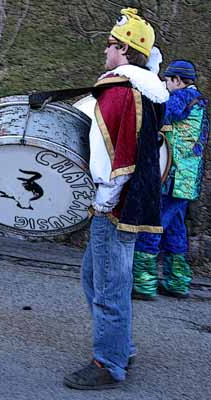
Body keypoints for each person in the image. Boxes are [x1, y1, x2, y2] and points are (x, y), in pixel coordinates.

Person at [63, 8, 169, 390]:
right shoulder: (145, 89)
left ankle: (108, 362)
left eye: (110, 45)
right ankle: (119, 345)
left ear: (123, 50)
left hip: (113, 206)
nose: (105, 51)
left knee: (108, 285)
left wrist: (103, 200)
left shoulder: (117, 91)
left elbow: (112, 154)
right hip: (130, 202)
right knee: (95, 277)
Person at [133, 60, 209, 300]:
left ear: (177, 80)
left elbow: (160, 111)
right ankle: (177, 282)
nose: (165, 85)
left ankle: (143, 283)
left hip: (171, 176)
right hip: (188, 180)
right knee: (175, 228)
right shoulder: (201, 104)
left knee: (152, 225)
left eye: (167, 81)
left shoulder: (180, 97)